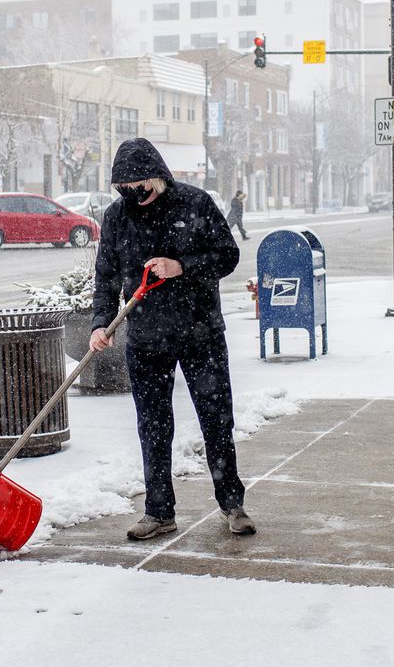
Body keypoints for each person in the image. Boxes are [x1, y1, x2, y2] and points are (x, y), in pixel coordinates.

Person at [90, 137, 255, 541]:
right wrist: (100, 322)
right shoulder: (117, 218)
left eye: (140, 186)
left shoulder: (195, 204)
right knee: (153, 425)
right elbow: (106, 275)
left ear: (159, 178)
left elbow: (227, 256)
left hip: (200, 332)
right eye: (125, 189)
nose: (134, 195)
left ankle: (232, 503)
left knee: (216, 420)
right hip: (146, 338)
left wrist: (181, 267)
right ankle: (159, 511)